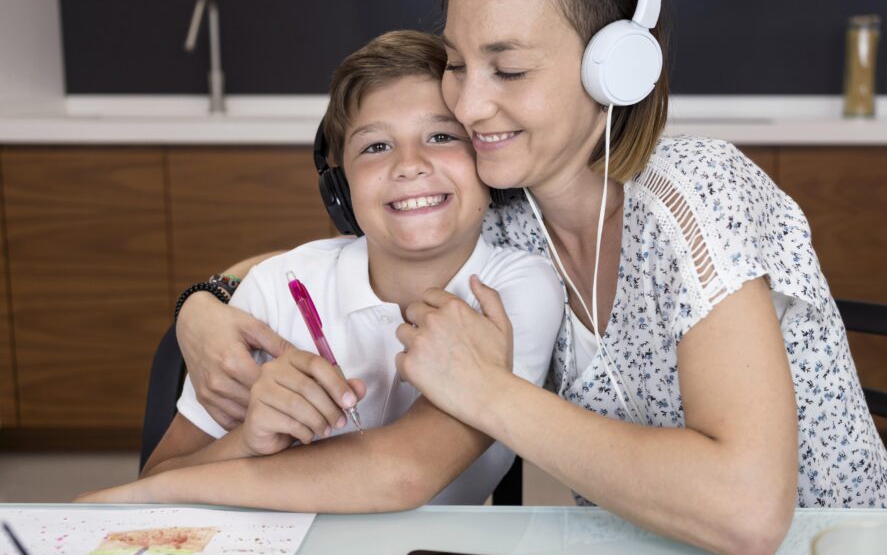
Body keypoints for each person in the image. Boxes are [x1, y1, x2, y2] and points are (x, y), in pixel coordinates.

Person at [175, 0, 887, 555]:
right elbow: (328, 256)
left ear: (614, 69)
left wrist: (489, 391)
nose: (467, 102)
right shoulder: (509, 211)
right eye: (459, 66)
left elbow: (750, 515)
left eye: (510, 68)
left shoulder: (695, 196)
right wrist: (202, 309)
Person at [78, 30, 563, 510]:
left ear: (487, 158)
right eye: (376, 147)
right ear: (340, 187)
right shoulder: (274, 290)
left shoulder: (520, 288)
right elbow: (162, 472)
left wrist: (151, 495)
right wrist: (249, 440)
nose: (409, 165)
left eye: (441, 136)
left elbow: (402, 475)